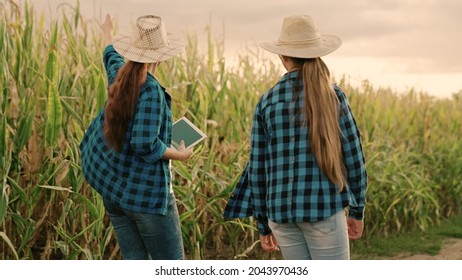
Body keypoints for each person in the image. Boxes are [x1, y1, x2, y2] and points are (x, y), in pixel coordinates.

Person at [224, 15, 367, 260]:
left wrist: (263, 223)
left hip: (280, 214)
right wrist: (357, 210)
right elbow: (354, 157)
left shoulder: (267, 101)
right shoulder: (334, 96)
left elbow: (258, 168)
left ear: (282, 56)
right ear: (316, 53)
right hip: (323, 209)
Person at [79, 14, 193, 260]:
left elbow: (110, 55)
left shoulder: (122, 76)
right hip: (144, 197)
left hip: (113, 191)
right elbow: (144, 144)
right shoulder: (151, 91)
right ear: (161, 55)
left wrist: (107, 33)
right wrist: (180, 154)